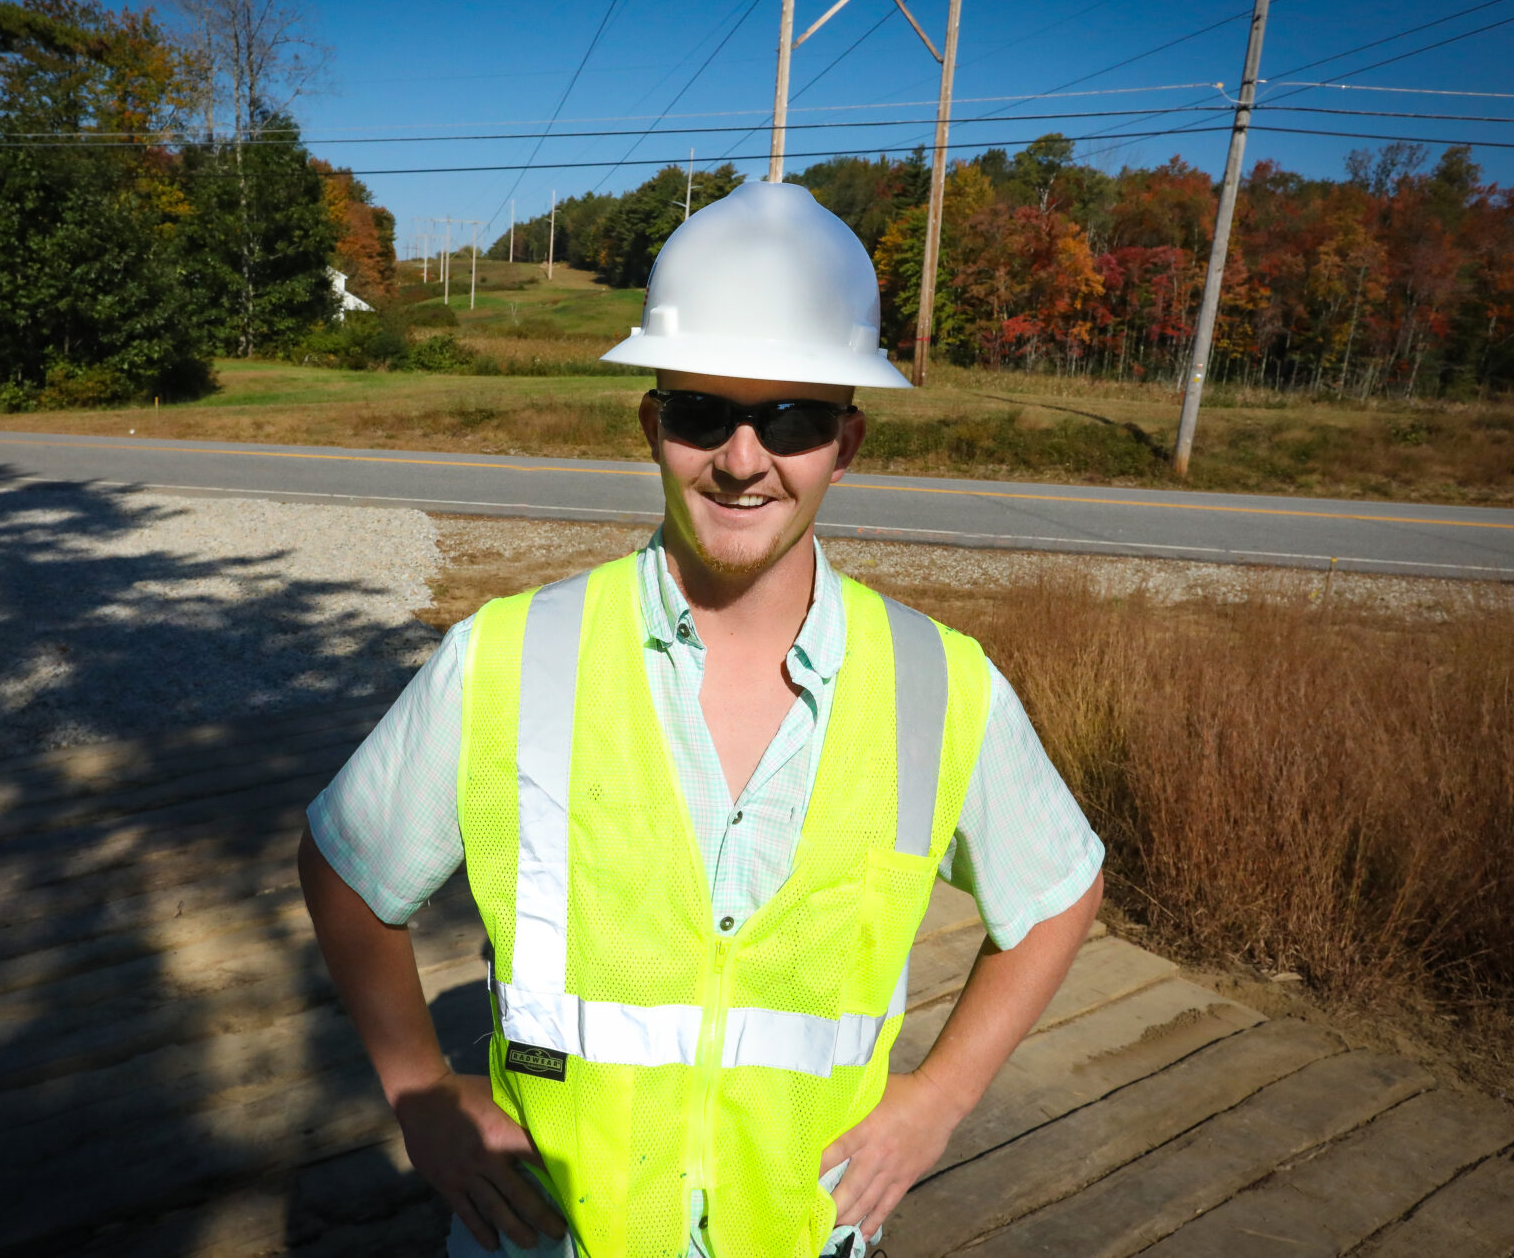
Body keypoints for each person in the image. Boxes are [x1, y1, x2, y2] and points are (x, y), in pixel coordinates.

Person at [299, 180, 1104, 1258]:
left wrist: (941, 1097)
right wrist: (417, 1089)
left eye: (791, 418)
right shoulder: (503, 654)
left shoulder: (940, 683)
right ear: (650, 424)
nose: (739, 457)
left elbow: (1058, 890)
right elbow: (346, 866)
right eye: (698, 412)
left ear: (845, 441)